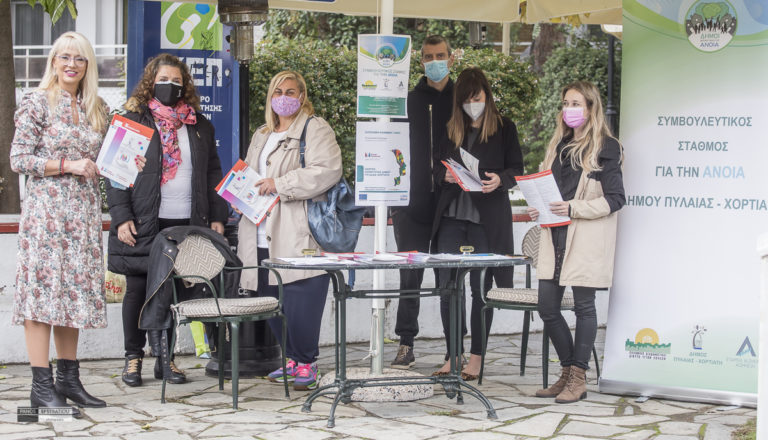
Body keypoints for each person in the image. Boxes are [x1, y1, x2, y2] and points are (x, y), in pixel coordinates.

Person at [106, 53, 228, 387]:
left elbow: (212, 172)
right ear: (150, 81)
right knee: (138, 288)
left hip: (185, 222)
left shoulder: (200, 125)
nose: (169, 86)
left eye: (177, 81)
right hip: (145, 222)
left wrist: (217, 216)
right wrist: (120, 218)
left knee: (173, 292)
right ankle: (134, 359)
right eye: (163, 80)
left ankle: (166, 357)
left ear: (185, 85)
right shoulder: (132, 120)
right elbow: (115, 176)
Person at [10, 31, 111, 415]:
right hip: (46, 218)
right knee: (42, 297)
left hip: (83, 218)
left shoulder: (94, 106)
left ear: (88, 66)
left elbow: (100, 159)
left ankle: (69, 379)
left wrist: (121, 163)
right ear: (53, 61)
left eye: (80, 58)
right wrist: (67, 165)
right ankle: (41, 384)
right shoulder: (37, 102)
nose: (71, 64)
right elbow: (19, 159)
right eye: (65, 57)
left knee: (73, 297)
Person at [238, 70, 342, 391]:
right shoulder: (261, 134)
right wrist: (238, 192)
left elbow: (327, 171)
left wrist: (279, 185)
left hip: (295, 228)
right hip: (258, 228)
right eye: (278, 91)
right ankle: (292, 360)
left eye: (292, 91)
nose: (285, 97)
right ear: (271, 97)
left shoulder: (315, 127)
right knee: (269, 299)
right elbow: (251, 174)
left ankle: (307, 361)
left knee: (300, 297)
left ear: (302, 96)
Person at [528, 80, 625, 403]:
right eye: (566, 103)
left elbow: (615, 199)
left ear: (591, 108)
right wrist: (537, 207)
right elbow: (550, 190)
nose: (569, 109)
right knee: (547, 307)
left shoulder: (606, 147)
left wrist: (573, 208)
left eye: (576, 103)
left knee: (584, 307)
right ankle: (568, 370)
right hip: (553, 234)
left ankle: (578, 377)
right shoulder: (558, 145)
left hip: (583, 237)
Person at [431, 67, 524, 379]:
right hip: (451, 218)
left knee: (480, 290)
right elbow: (434, 166)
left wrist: (501, 179)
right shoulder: (450, 129)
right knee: (448, 288)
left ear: (487, 96)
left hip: (487, 221)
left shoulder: (504, 127)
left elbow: (517, 170)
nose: (473, 104)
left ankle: (476, 358)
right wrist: (442, 174)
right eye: (467, 99)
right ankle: (453, 354)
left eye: (478, 98)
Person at [390, 35, 455, 370]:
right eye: (429, 56)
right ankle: (405, 343)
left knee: (449, 280)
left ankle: (453, 348)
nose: (435, 61)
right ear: (421, 62)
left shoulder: (463, 101)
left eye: (440, 55)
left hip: (451, 207)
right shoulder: (408, 99)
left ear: (451, 58)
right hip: (411, 206)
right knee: (410, 278)